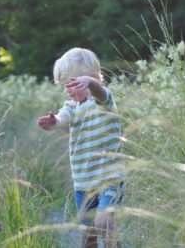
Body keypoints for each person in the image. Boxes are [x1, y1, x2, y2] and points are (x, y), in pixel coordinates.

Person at [37, 47, 125, 248]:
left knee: (103, 222)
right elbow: (63, 118)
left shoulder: (103, 101)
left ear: (91, 77)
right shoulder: (72, 106)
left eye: (72, 83)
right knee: (89, 237)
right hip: (83, 184)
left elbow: (100, 92)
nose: (68, 89)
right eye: (64, 85)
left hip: (109, 179)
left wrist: (92, 84)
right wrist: (53, 122)